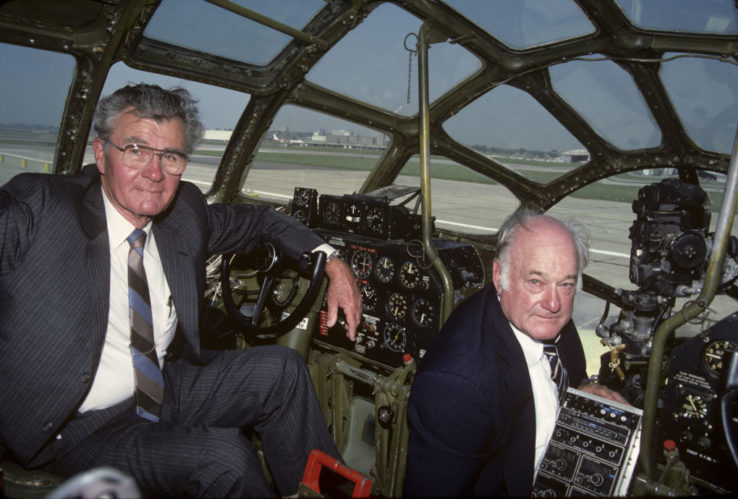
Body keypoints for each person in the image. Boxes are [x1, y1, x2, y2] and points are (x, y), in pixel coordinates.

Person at [0, 83, 362, 497]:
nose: (154, 173)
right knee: (227, 459)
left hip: (160, 389)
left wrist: (333, 263)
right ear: (101, 155)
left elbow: (263, 221)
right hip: (74, 427)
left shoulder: (183, 213)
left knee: (282, 370)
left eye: (169, 157)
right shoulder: (41, 208)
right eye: (135, 150)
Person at [403, 209, 627, 497]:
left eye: (566, 284)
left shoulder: (542, 316)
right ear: (499, 276)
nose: (554, 303)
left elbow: (565, 363)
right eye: (535, 282)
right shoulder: (457, 387)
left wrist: (582, 388)